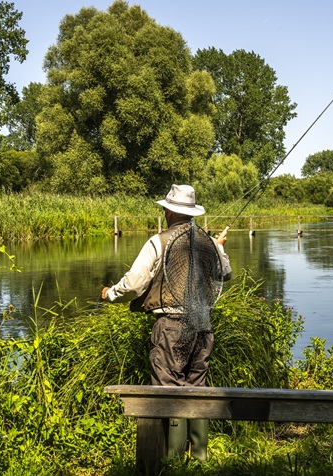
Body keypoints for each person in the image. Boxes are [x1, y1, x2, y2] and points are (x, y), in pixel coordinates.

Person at [101, 184, 232, 461]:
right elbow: (225, 273)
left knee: (168, 388)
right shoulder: (207, 241)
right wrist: (218, 249)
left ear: (170, 212)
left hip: (171, 324)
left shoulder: (157, 241)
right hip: (203, 325)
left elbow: (135, 284)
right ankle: (199, 457)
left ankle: (172, 461)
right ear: (191, 212)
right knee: (197, 387)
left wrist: (111, 293)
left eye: (165, 208)